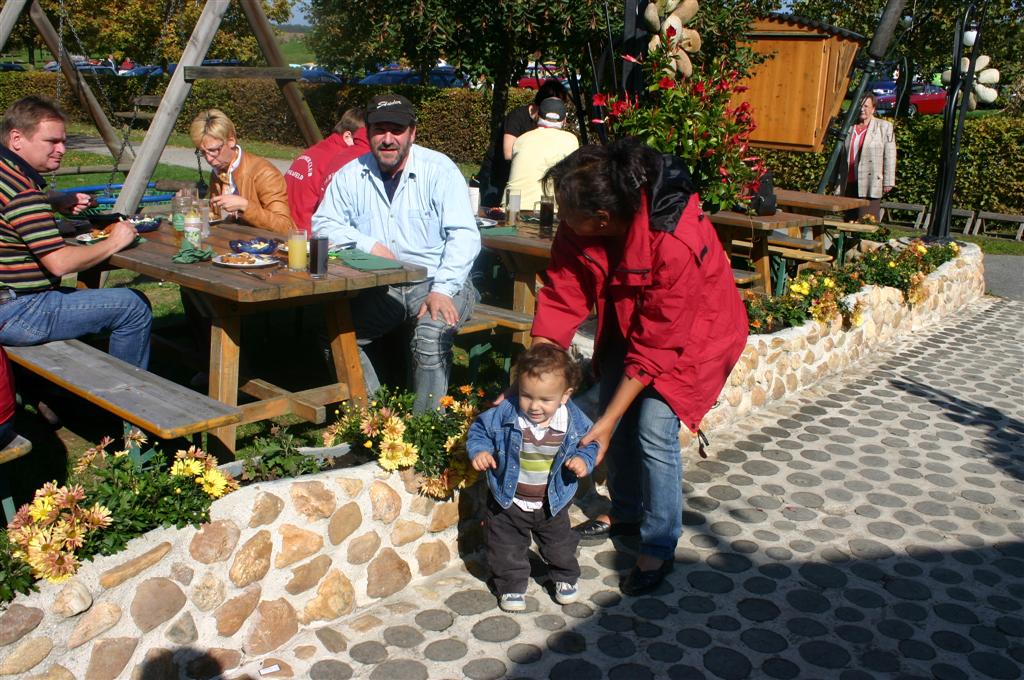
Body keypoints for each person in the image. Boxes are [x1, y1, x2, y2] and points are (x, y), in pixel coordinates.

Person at [531, 138, 748, 596]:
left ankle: (659, 542)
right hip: (631, 323)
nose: (559, 220)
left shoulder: (673, 241)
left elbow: (659, 344)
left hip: (698, 333)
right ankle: (626, 513)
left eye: (567, 214)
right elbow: (562, 293)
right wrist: (534, 373)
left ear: (604, 220)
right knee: (615, 402)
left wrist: (606, 422)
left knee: (650, 425)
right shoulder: (583, 216)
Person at [312, 94, 480, 412]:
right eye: (379, 130)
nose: (388, 139)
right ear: (369, 132)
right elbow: (322, 224)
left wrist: (443, 290)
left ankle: (423, 437)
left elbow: (465, 236)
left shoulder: (439, 170)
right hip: (386, 287)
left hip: (439, 280)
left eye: (396, 130)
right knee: (335, 334)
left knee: (430, 336)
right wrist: (368, 244)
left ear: (412, 133)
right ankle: (375, 422)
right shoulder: (352, 173)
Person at [0, 96, 152, 371]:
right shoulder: (24, 193)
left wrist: (54, 201)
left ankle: (58, 393)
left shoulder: (6, 175)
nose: (62, 149)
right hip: (19, 311)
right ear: (17, 139)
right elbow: (59, 262)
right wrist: (116, 241)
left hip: (8, 303)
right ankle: (128, 401)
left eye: (64, 141)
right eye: (52, 141)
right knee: (133, 305)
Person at [467, 343, 598, 612]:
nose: (534, 406)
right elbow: (480, 429)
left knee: (560, 544)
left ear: (565, 395)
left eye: (545, 400)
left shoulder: (574, 422)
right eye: (527, 396)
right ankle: (511, 585)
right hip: (508, 499)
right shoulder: (507, 412)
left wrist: (583, 460)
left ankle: (564, 576)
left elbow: (590, 444)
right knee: (505, 546)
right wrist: (480, 450)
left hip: (552, 502)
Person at [189, 109, 294, 234]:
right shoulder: (219, 171)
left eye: (213, 150)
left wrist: (245, 206)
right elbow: (217, 216)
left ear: (231, 141)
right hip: (232, 242)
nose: (209, 159)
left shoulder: (264, 173)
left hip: (265, 248)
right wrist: (195, 207)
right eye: (203, 153)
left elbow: (286, 227)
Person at [477, 80, 569, 207]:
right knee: (493, 214)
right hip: (496, 175)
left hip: (517, 176)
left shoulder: (551, 124)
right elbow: (508, 153)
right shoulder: (517, 117)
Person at [285, 107, 369, 234]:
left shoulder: (317, 150)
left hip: (288, 223)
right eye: (361, 139)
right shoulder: (338, 159)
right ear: (347, 136)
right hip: (307, 231)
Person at [504, 97, 579, 210]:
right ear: (564, 120)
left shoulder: (521, 139)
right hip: (548, 210)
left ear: (538, 115)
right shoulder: (571, 140)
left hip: (513, 208)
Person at [835, 93, 896, 221]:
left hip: (870, 182)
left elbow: (890, 155)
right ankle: (848, 241)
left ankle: (864, 242)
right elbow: (838, 155)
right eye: (860, 106)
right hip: (849, 182)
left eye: (866, 106)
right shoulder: (848, 127)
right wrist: (833, 179)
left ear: (873, 109)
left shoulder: (884, 127)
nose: (862, 109)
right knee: (848, 221)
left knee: (867, 222)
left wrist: (889, 181)